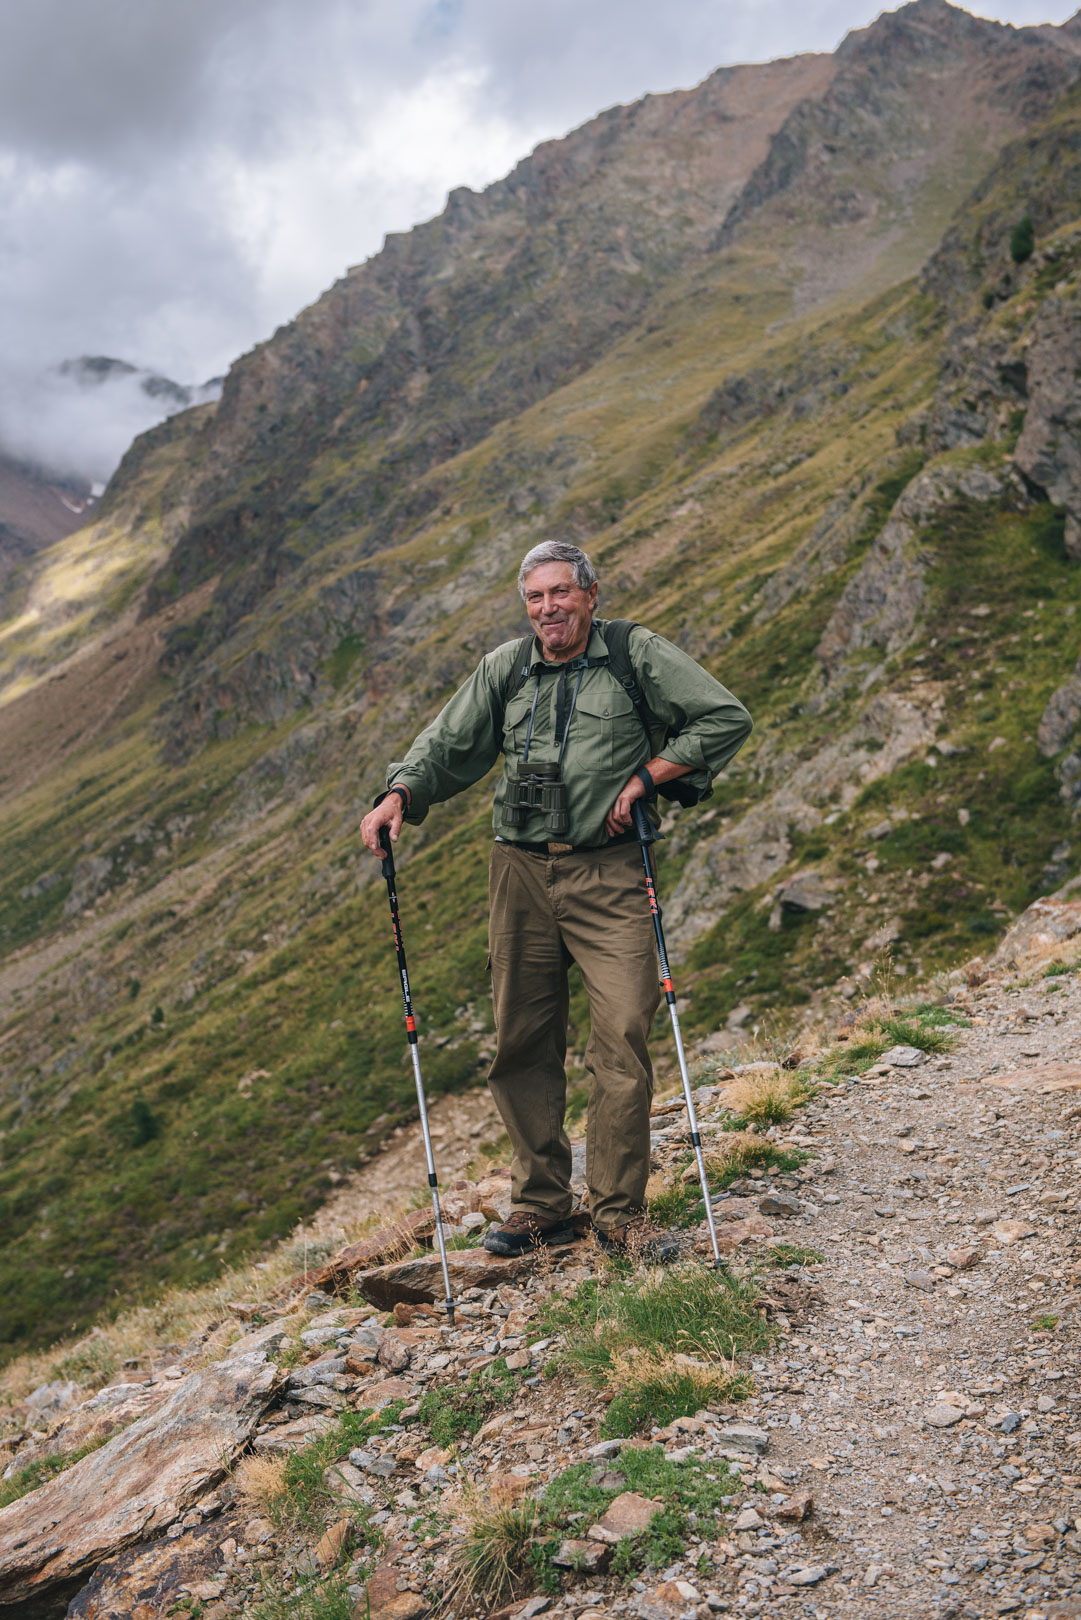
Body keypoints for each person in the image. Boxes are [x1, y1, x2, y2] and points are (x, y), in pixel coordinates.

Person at [361, 541, 752, 1260]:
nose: (548, 608)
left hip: (610, 874)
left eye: (560, 594)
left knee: (622, 1037)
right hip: (517, 875)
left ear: (591, 595)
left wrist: (646, 778)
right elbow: (447, 746)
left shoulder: (634, 654)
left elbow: (723, 718)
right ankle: (541, 1205)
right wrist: (398, 795)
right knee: (521, 1040)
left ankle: (616, 1214)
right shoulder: (506, 668)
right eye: (536, 597)